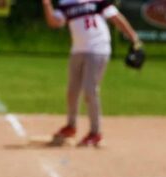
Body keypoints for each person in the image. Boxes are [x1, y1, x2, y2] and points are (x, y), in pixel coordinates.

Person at [41, 0, 142, 148]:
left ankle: (95, 133)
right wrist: (46, 4)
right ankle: (71, 126)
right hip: (77, 50)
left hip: (98, 48)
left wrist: (134, 38)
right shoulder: (66, 3)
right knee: (72, 92)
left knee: (90, 90)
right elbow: (54, 22)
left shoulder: (98, 1)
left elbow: (116, 18)